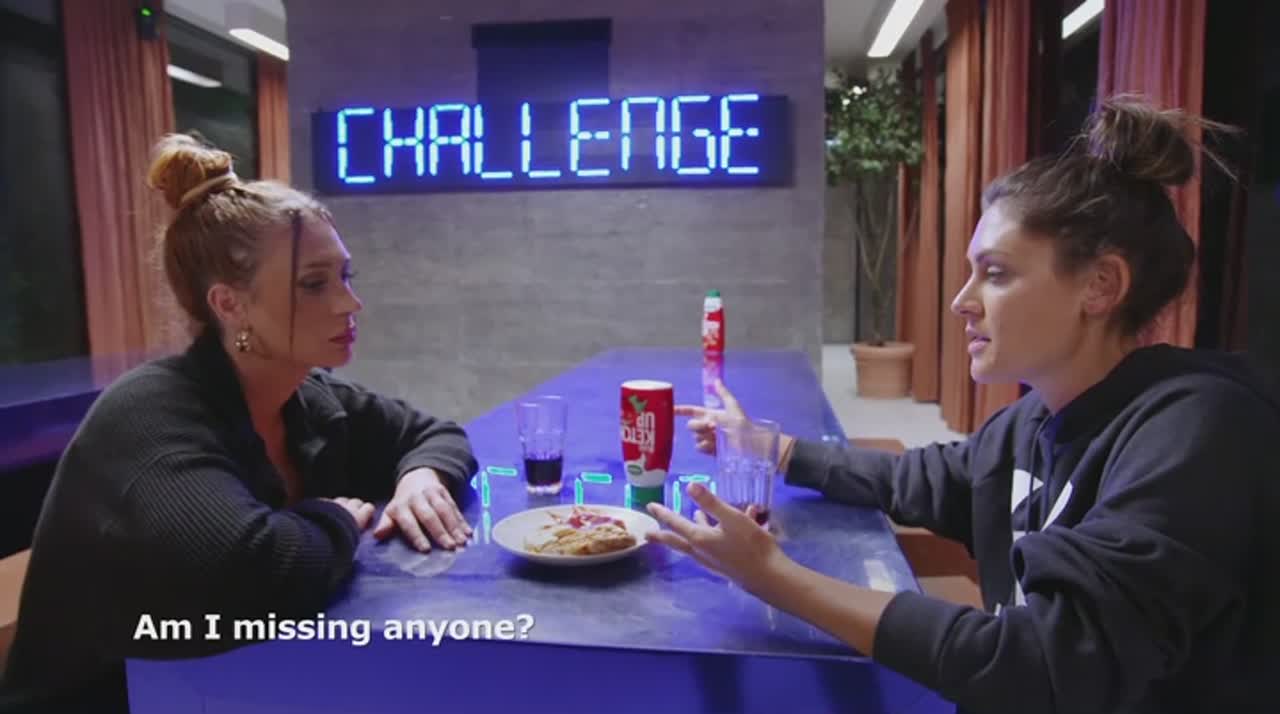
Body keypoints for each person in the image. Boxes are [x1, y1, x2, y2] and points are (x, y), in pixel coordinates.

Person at [645, 96, 1279, 713]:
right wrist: (770, 446)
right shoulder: (1030, 422)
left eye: (995, 273)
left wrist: (774, 577)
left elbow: (1043, 666)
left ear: (1101, 285)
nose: (961, 301)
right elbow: (913, 480)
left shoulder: (1202, 433)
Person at [0, 134, 479, 713]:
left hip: (232, 688)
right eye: (314, 283)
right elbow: (248, 571)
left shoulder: (309, 395)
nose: (349, 304)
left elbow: (435, 434)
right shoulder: (149, 411)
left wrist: (422, 477)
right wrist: (334, 520)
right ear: (229, 304)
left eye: (346, 277)